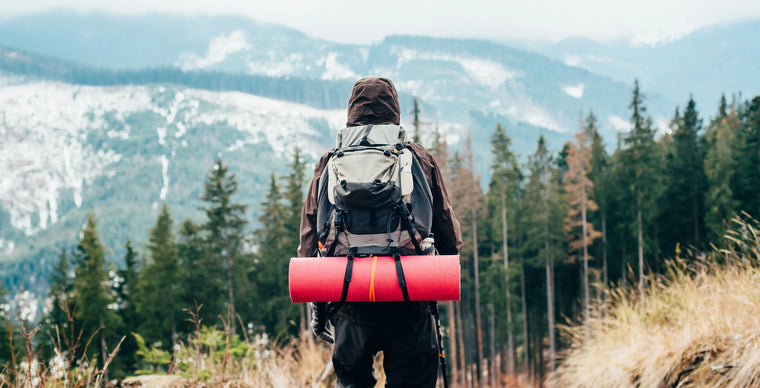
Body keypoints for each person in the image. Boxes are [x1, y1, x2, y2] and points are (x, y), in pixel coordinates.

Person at [298, 76, 462, 388]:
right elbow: (447, 232)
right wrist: (443, 267)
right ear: (394, 111)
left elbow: (309, 239)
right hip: (410, 299)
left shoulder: (330, 161)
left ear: (352, 113)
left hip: (348, 302)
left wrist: (318, 303)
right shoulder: (417, 157)